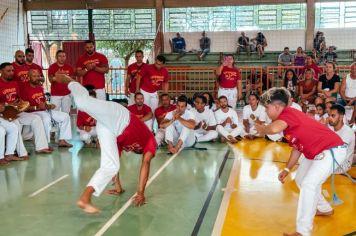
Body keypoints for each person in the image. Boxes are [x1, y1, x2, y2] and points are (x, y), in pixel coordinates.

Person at [52, 74, 157, 213]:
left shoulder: (124, 143)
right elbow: (146, 165)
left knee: (112, 165)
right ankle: (70, 81)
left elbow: (116, 160)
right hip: (120, 116)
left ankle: (85, 198)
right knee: (83, 103)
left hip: (110, 129)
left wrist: (118, 187)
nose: (135, 150)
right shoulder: (151, 140)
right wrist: (141, 192)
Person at [255, 87, 347, 236]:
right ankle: (324, 208)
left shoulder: (288, 113)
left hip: (331, 150)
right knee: (301, 179)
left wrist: (263, 129)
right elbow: (296, 149)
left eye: (267, 108)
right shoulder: (287, 125)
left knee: (309, 184)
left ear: (276, 107)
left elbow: (273, 129)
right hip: (317, 153)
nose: (265, 112)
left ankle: (303, 232)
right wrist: (286, 170)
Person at [0, 62, 52, 154]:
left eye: (12, 70)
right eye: (8, 71)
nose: (12, 72)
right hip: (4, 113)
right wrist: (9, 104)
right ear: (1, 71)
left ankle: (41, 147)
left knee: (36, 119)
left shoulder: (15, 83)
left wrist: (24, 104)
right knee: (16, 125)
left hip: (17, 111)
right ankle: (20, 152)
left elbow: (19, 99)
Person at [20, 69, 73, 148]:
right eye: (34, 76)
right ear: (28, 77)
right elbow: (23, 108)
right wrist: (37, 107)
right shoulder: (24, 89)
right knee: (46, 118)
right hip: (32, 113)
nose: (37, 78)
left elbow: (44, 102)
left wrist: (49, 105)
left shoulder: (40, 88)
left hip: (44, 111)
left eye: (38, 76)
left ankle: (62, 140)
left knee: (65, 116)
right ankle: (44, 144)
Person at [328, 104, 355, 173]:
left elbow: (338, 154)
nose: (329, 118)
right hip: (332, 161)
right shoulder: (330, 128)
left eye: (333, 115)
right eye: (329, 115)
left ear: (341, 117)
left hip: (342, 166)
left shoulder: (348, 132)